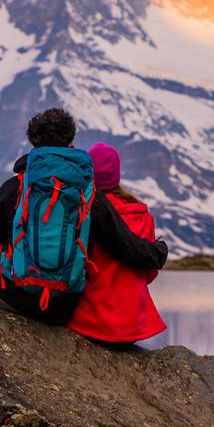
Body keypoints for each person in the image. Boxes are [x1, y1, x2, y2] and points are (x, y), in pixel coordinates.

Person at [0, 108, 168, 324]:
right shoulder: (88, 192)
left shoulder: (14, 186)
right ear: (71, 142)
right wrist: (159, 252)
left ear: (34, 144)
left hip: (12, 294)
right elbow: (126, 246)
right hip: (63, 307)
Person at [67, 142, 167, 344]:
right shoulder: (140, 213)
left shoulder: (83, 210)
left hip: (89, 322)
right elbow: (149, 273)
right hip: (131, 325)